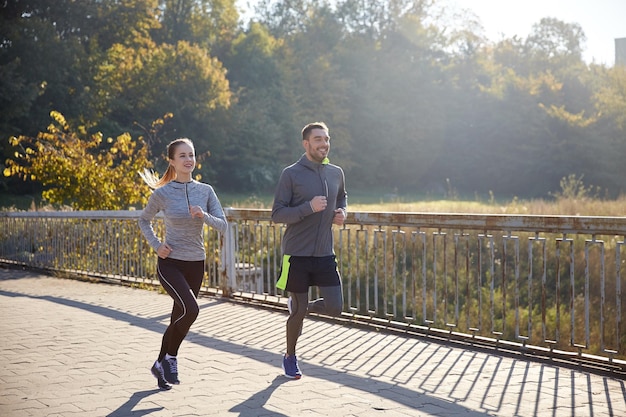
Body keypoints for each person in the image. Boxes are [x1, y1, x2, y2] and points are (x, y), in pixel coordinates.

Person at [138, 138, 227, 390]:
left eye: (192, 155)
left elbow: (223, 225)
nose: (189, 159)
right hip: (170, 263)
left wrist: (204, 215)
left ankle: (159, 364)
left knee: (180, 315)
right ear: (172, 161)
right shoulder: (162, 193)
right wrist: (157, 245)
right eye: (183, 156)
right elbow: (144, 221)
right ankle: (172, 358)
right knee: (192, 309)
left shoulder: (206, 191)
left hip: (196, 263)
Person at [271, 122, 347, 379]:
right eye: (318, 139)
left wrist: (341, 212)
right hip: (297, 254)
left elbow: (342, 197)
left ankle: (300, 307)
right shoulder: (291, 174)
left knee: (335, 307)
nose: (324, 144)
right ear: (306, 144)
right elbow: (277, 214)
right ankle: (290, 356)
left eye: (326, 139)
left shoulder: (336, 172)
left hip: (325, 252)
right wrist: (308, 207)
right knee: (299, 312)